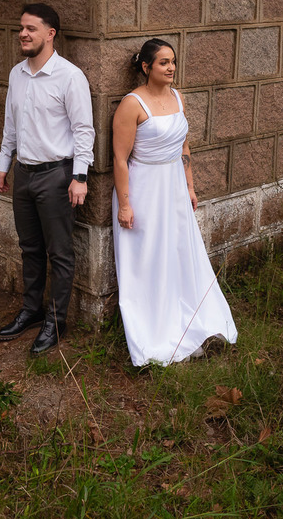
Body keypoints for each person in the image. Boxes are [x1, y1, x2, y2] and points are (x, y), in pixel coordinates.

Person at [111, 38, 237, 366]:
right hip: (144, 187)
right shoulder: (132, 104)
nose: (171, 68)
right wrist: (125, 204)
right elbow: (120, 160)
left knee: (180, 251)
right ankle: (155, 330)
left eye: (173, 62)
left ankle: (193, 320)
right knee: (150, 256)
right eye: (164, 63)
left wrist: (190, 187)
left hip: (175, 188)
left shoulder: (178, 98)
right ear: (146, 67)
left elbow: (184, 147)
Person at [0, 4, 94, 354]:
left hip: (57, 177)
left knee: (60, 252)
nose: (23, 34)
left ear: (50, 34)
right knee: (29, 248)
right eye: (21, 27)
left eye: (31, 29)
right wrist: (4, 164)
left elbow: (84, 131)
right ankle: (31, 311)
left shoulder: (69, 77)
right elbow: (11, 124)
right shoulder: (16, 74)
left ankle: (55, 321)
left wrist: (79, 176)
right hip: (23, 174)